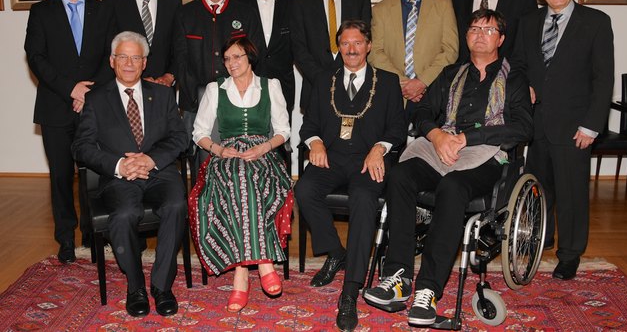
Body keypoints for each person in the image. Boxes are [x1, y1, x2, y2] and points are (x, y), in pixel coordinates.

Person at [364, 8, 533, 327]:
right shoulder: (450, 73)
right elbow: (421, 110)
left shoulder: (516, 78)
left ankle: (427, 290)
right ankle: (397, 277)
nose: (480, 34)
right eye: (474, 28)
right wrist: (437, 134)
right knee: (400, 175)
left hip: (486, 153)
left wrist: (470, 137)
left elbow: (523, 128)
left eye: (489, 29)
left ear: (501, 39)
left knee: (453, 187)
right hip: (441, 146)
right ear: (466, 35)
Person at [295, 20, 406, 332]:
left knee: (362, 199)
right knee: (304, 191)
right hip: (331, 157)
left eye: (357, 43)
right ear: (339, 47)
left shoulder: (386, 81)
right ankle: (336, 252)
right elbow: (309, 125)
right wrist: (314, 143)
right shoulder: (323, 79)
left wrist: (379, 149)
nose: (352, 49)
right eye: (345, 43)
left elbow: (397, 128)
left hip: (367, 160)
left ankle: (349, 290)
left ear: (368, 46)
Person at [72, 31, 188, 318]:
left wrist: (150, 159)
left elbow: (179, 138)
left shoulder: (162, 94)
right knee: (124, 214)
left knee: (176, 205)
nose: (128, 63)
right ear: (112, 61)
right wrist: (118, 165)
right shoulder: (96, 99)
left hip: (159, 173)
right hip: (118, 178)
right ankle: (135, 286)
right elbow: (81, 147)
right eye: (122, 56)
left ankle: (162, 287)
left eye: (135, 57)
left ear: (144, 63)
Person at [512, 0, 614, 280]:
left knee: (571, 194)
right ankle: (543, 237)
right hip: (536, 123)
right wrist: (523, 84)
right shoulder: (528, 22)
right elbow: (516, 66)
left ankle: (569, 254)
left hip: (575, 126)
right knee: (538, 189)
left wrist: (592, 125)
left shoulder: (595, 21)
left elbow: (603, 78)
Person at [189, 36, 293, 313]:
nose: (231, 63)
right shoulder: (215, 89)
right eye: (227, 59)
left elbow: (284, 130)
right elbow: (199, 132)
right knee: (237, 177)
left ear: (250, 58)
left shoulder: (271, 86)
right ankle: (262, 264)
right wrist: (220, 151)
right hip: (227, 156)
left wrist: (263, 147)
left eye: (237, 57)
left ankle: (241, 275)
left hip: (264, 155)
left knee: (246, 179)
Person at [24, 0, 111, 264]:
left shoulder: (104, 11)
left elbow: (110, 57)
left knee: (94, 176)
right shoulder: (40, 13)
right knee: (61, 177)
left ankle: (93, 235)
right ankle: (65, 240)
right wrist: (70, 89)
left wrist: (87, 92)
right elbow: (37, 58)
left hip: (94, 107)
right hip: (55, 108)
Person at [369, 0, 458, 110]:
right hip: (393, 94)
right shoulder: (380, 10)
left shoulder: (444, 5)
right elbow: (375, 53)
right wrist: (404, 83)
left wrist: (422, 81)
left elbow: (450, 50)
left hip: (432, 93)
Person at [291, 0, 372, 112]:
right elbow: (299, 48)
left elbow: (364, 41)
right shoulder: (300, 2)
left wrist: (345, 78)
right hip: (315, 89)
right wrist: (323, 80)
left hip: (355, 85)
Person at [101, 0, 182, 87]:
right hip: (125, 89)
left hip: (162, 90)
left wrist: (170, 76)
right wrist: (135, 78)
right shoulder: (112, 3)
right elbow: (107, 50)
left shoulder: (173, 4)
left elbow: (179, 48)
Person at [233, 0, 296, 115]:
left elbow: (299, 45)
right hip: (245, 86)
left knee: (281, 138)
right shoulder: (236, 5)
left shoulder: (292, 3)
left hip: (283, 86)